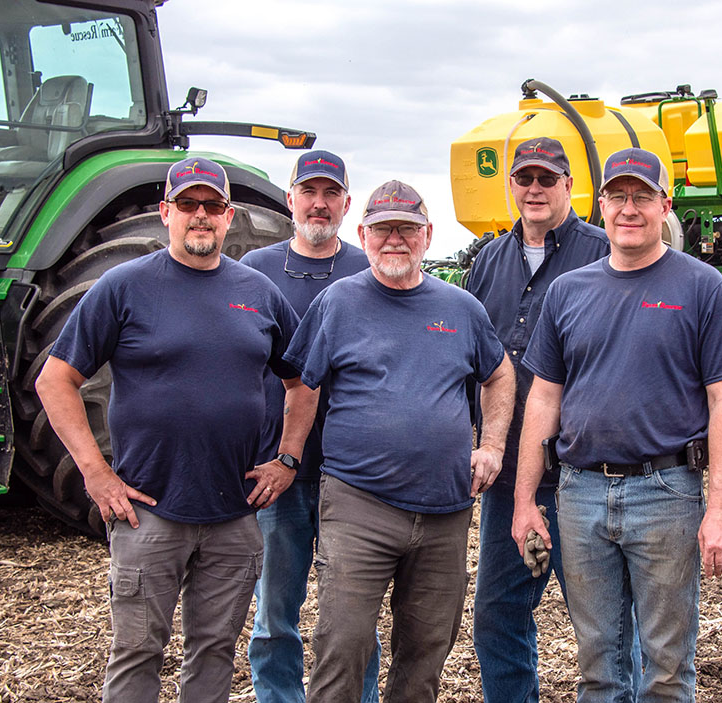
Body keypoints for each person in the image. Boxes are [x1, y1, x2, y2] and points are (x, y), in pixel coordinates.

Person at [34, 157, 310, 703]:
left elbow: (303, 382)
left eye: (212, 206)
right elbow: (54, 381)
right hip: (148, 510)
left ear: (229, 217)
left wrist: (288, 459)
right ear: (166, 213)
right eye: (188, 204)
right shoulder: (124, 287)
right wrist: (96, 474)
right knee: (137, 651)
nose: (200, 216)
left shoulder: (258, 293)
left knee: (214, 651)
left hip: (235, 514)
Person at [512, 148, 722, 701]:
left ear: (664, 205)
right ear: (599, 205)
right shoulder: (568, 291)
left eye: (642, 196)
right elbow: (543, 401)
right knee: (598, 664)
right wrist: (526, 499)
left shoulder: (701, 286)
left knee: (667, 667)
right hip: (580, 492)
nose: (629, 208)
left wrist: (720, 509)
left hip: (667, 491)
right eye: (617, 196)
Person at [283, 180, 516, 703]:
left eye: (407, 229)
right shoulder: (337, 303)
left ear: (427, 235)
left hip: (444, 511)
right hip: (358, 504)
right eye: (383, 229)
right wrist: (286, 456)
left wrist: (493, 444)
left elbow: (499, 375)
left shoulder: (460, 308)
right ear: (362, 234)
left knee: (427, 650)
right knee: (341, 644)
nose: (395, 239)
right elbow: (300, 383)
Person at [465, 137, 612, 702]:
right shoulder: (488, 262)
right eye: (523, 179)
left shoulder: (602, 253)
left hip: (583, 475)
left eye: (546, 179)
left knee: (600, 620)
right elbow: (474, 359)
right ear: (511, 185)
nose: (533, 190)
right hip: (510, 477)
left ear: (569, 186)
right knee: (499, 614)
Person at [241, 150, 379, 703]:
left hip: (354, 474)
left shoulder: (368, 268)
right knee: (276, 612)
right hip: (281, 473)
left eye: (331, 193)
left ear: (347, 203)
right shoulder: (255, 270)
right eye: (309, 192)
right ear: (289, 199)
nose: (319, 203)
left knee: (353, 619)